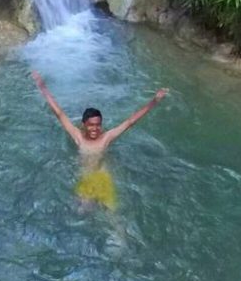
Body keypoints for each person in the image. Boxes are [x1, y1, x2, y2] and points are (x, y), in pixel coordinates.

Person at [30, 70, 169, 209]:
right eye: (91, 125)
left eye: (98, 125)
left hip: (103, 177)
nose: (95, 128)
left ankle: (119, 231)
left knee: (112, 219)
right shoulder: (78, 137)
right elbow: (59, 113)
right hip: (86, 178)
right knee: (82, 212)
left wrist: (154, 101)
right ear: (84, 124)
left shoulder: (106, 138)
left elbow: (130, 121)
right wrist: (42, 86)